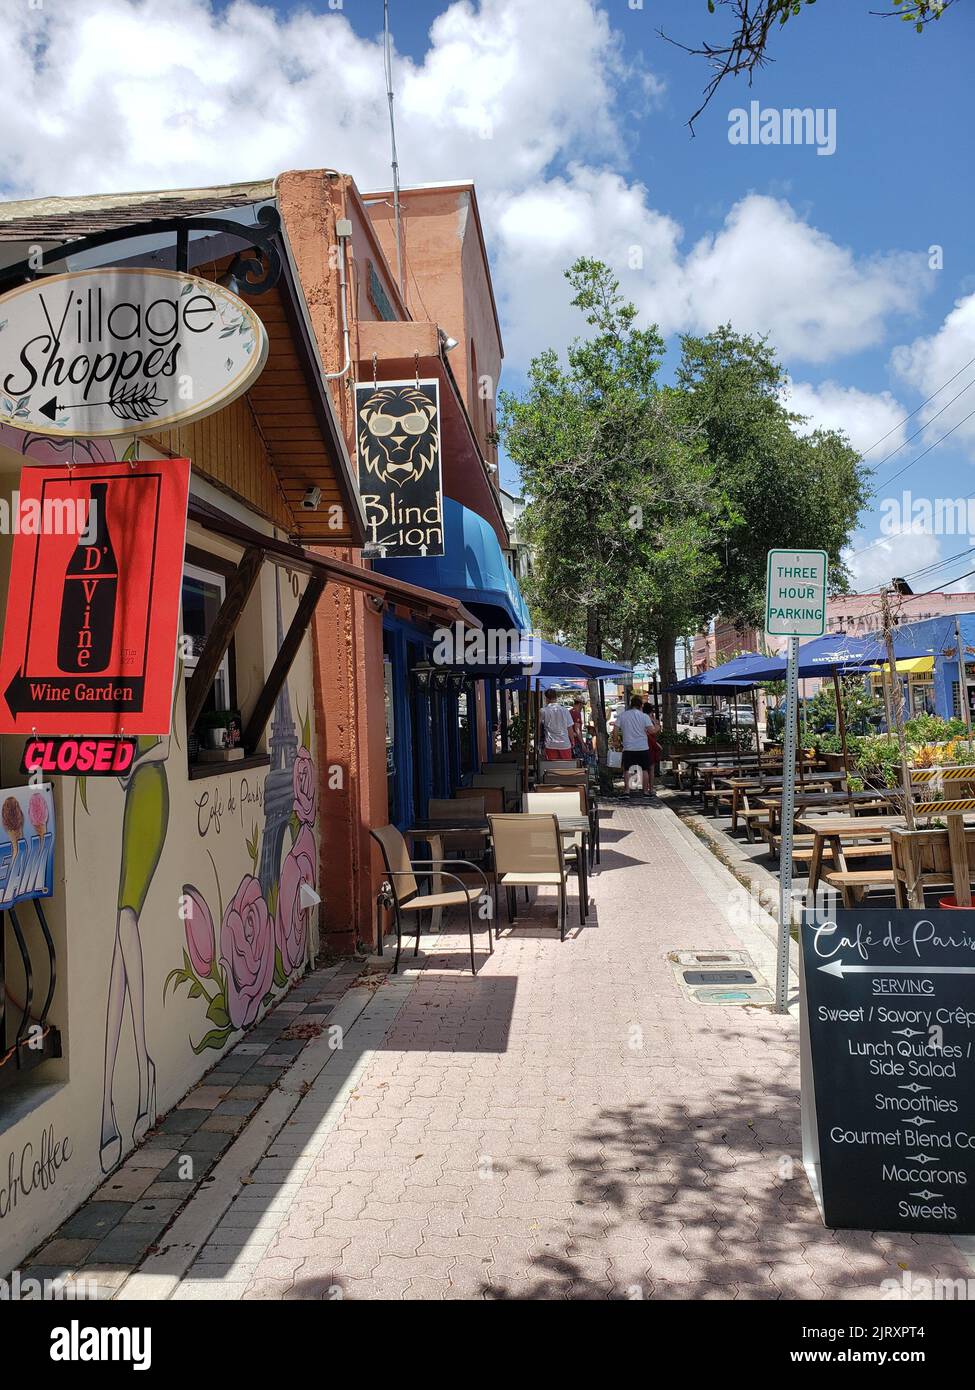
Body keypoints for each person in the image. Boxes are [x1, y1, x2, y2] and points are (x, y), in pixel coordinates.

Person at [618, 693, 656, 795]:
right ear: (640, 705)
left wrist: (615, 741)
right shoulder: (644, 716)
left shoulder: (623, 715)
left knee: (627, 770)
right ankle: (645, 791)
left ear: (631, 704)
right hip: (642, 747)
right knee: (644, 769)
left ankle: (627, 790)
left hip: (628, 747)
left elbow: (615, 729)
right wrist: (655, 724)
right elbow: (652, 731)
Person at [539, 688, 575, 761]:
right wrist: (572, 741)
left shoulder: (543, 711)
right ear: (556, 697)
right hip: (564, 743)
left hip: (550, 744)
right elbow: (570, 728)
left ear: (546, 698)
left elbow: (538, 726)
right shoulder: (565, 710)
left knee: (552, 769)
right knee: (566, 768)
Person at [642, 701, 663, 789]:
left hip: (644, 744)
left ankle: (645, 788)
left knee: (644, 768)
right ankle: (651, 788)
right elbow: (658, 730)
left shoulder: (642, 718)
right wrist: (656, 722)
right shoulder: (652, 720)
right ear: (651, 711)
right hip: (652, 743)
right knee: (651, 768)